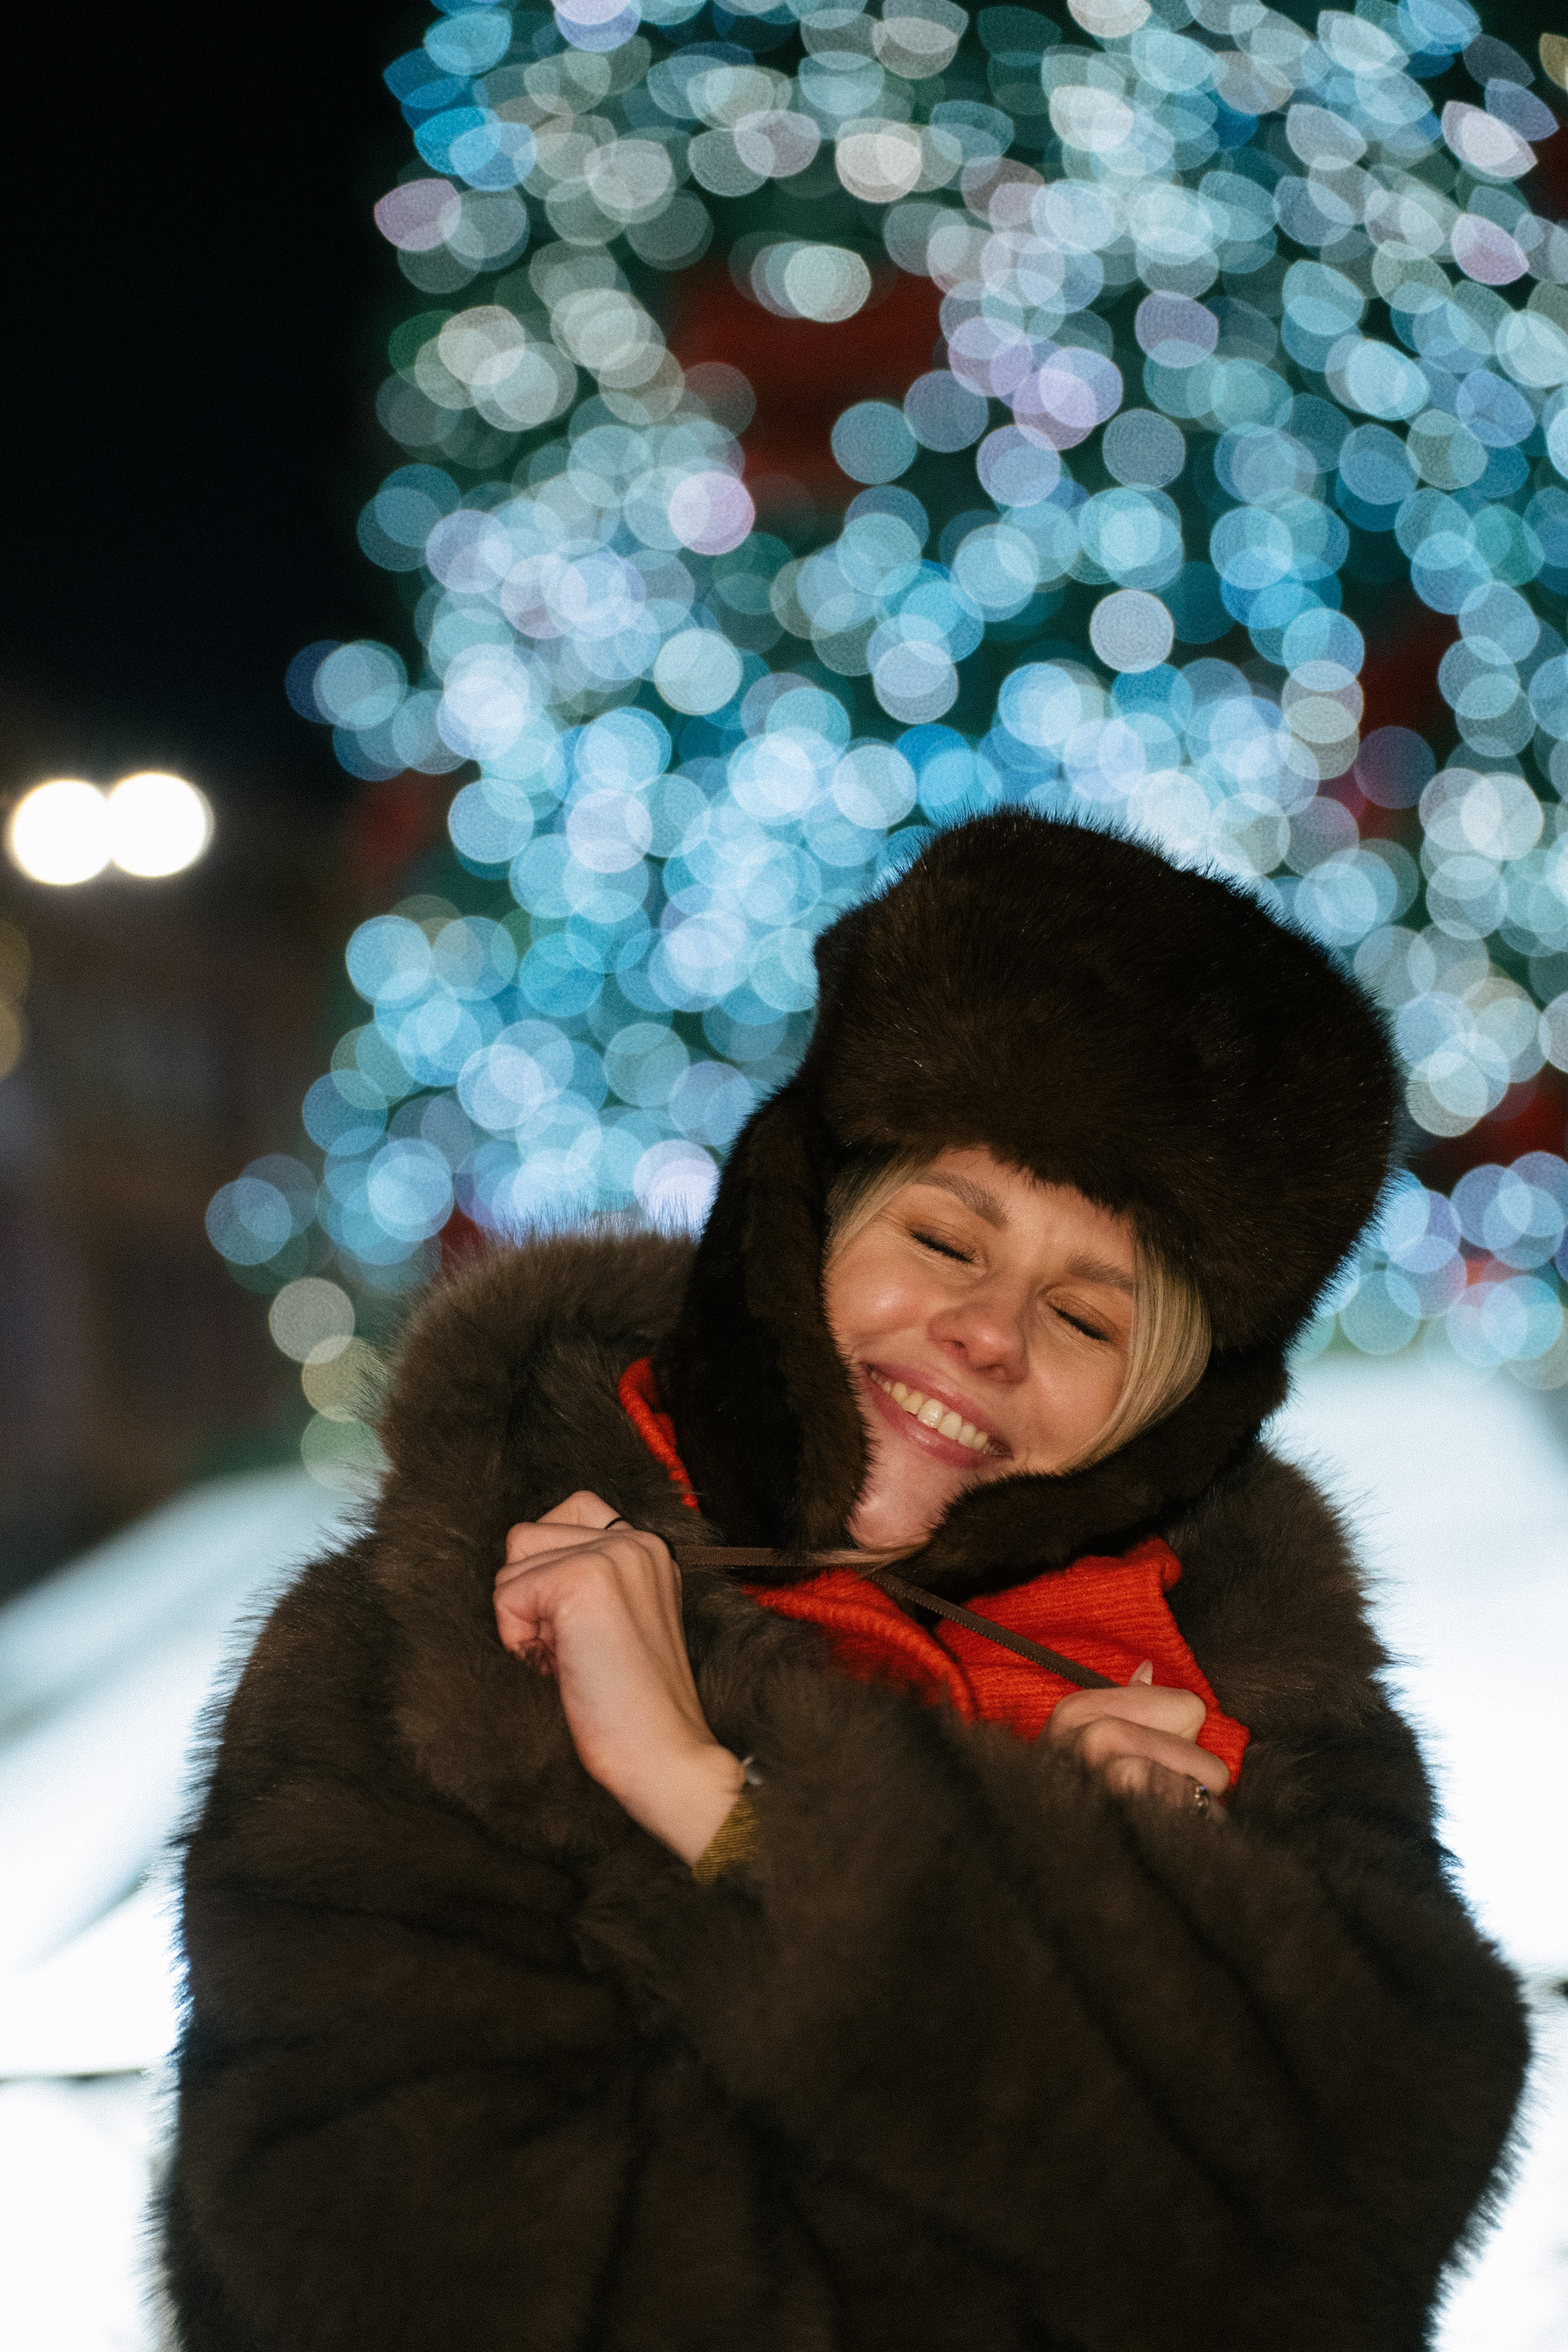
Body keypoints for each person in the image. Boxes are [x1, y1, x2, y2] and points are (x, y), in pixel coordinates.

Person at [165, 813, 1528, 2352]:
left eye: (1086, 1321)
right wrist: (1115, 1992)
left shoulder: (1247, 1703)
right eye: (946, 1237)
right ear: (800, 1221)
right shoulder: (427, 1632)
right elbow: (419, 2268)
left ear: (1165, 1413)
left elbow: (1356, 2233)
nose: (988, 1333)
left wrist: (715, 1804)